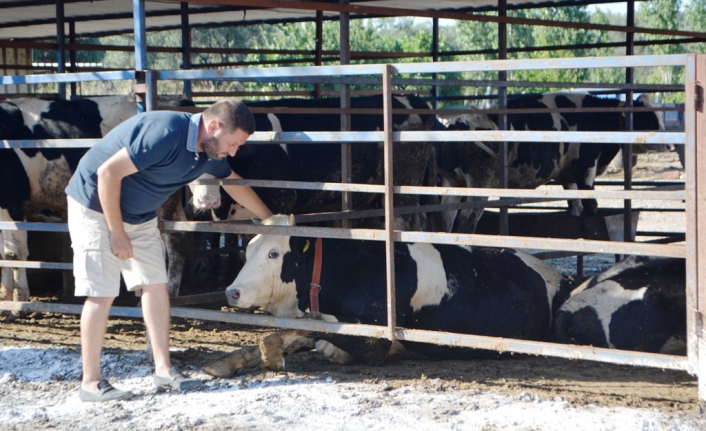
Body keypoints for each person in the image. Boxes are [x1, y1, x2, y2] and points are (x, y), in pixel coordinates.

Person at [65, 98, 273, 402]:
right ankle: (91, 382)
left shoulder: (209, 151)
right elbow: (107, 174)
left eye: (237, 146)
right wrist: (117, 231)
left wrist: (270, 221)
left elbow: (232, 182)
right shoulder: (165, 132)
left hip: (140, 214)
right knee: (102, 291)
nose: (233, 152)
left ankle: (163, 370)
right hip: (96, 207)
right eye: (232, 143)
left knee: (155, 284)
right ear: (213, 126)